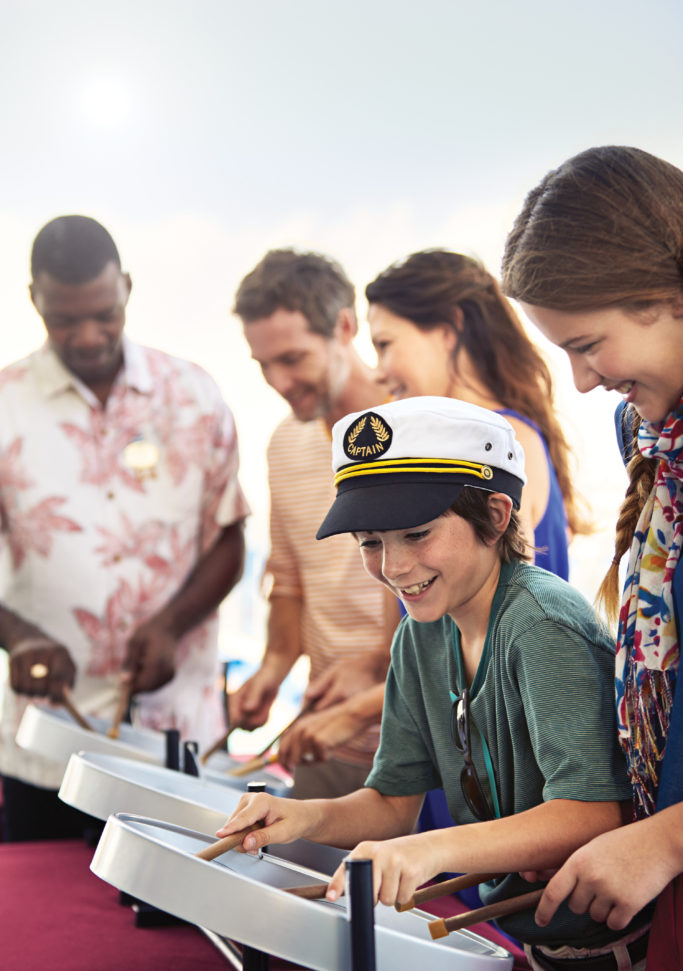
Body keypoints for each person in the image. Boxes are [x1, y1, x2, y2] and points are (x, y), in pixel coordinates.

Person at [215, 395, 648, 971]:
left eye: (417, 534)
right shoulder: (420, 634)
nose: (393, 567)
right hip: (536, 951)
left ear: (497, 515)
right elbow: (392, 804)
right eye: (370, 542)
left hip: (619, 963)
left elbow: (591, 814)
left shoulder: (541, 624)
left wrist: (430, 851)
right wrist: (299, 816)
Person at [501, 144, 683, 971]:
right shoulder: (647, 435)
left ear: (671, 296)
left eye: (587, 344)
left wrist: (668, 836)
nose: (580, 380)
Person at [0, 215, 249, 841]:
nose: (88, 335)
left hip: (177, 739)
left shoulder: (192, 393)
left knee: (174, 935)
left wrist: (170, 624)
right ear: (34, 300)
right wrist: (18, 635)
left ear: (128, 289)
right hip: (48, 744)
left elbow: (228, 535)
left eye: (105, 314)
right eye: (65, 319)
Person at [230, 249, 398, 797]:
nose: (279, 381)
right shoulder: (285, 443)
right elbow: (289, 579)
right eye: (263, 364)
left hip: (421, 742)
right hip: (325, 741)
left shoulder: (414, 427)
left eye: (293, 358)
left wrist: (376, 665)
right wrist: (273, 667)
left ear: (344, 327)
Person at [365, 249, 588, 581]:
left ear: (448, 329)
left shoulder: (503, 445)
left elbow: (500, 617)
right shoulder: (484, 443)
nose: (377, 373)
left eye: (384, 345)